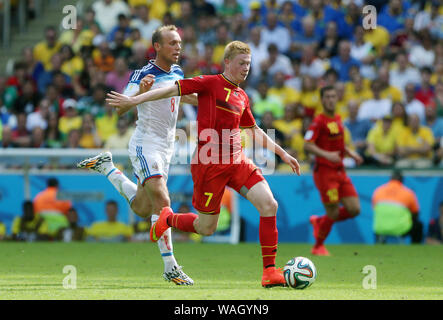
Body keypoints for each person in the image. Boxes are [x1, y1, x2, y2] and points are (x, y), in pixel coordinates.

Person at [106, 40, 301, 288]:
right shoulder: (210, 83)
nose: (246, 68)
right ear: (227, 62)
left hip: (238, 161)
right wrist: (135, 100)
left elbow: (253, 129)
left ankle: (270, 271)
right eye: (241, 63)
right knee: (206, 228)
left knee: (269, 204)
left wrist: (283, 154)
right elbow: (171, 90)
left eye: (249, 64)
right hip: (209, 164)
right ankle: (167, 218)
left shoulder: (242, 96)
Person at [77, 25, 194, 285]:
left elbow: (181, 95)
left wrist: (214, 100)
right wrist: (140, 91)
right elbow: (121, 106)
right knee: (162, 198)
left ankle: (107, 167)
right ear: (158, 47)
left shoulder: (177, 71)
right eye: (173, 43)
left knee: (143, 208)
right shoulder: (143, 73)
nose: (178, 47)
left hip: (166, 147)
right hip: (146, 144)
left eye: (179, 43)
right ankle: (170, 267)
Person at [304, 86, 363, 256]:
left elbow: (339, 144)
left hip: (340, 172)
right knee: (333, 212)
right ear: (322, 100)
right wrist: (327, 155)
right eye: (327, 97)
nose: (330, 99)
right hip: (324, 173)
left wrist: (351, 153)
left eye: (333, 96)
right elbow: (307, 144)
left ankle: (320, 221)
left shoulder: (337, 119)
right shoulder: (318, 122)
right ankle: (318, 247)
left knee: (354, 209)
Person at [372, 170, 423, 244]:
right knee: (418, 225)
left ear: (390, 179)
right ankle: (415, 250)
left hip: (380, 228)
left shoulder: (378, 191)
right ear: (402, 180)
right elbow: (415, 214)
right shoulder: (408, 193)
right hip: (400, 229)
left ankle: (379, 243)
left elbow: (375, 209)